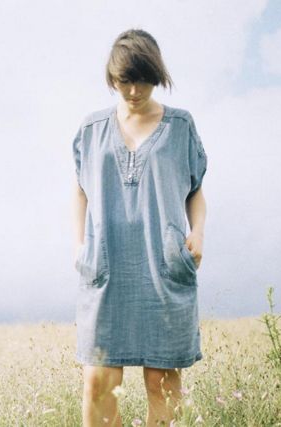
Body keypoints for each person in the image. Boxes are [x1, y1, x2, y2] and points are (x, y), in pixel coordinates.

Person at [71, 28, 208, 427]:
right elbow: (79, 190)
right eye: (125, 81)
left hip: (163, 265)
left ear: (157, 75)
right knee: (98, 384)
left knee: (162, 383)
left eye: (144, 80)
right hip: (107, 264)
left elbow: (196, 191)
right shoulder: (91, 130)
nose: (134, 91)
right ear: (112, 78)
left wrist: (197, 232)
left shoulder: (180, 126)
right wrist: (79, 246)